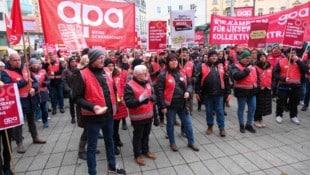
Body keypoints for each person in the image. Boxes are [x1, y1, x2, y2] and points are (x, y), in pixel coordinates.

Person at [71, 49, 126, 175]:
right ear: (92, 59)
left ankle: (112, 167)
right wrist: (93, 107)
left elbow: (110, 90)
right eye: (99, 58)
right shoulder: (82, 74)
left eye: (103, 57)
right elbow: (76, 97)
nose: (103, 60)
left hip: (109, 115)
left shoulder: (107, 71)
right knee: (92, 147)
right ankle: (92, 172)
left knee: (110, 142)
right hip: (92, 118)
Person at [2, 53, 46, 154]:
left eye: (18, 59)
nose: (17, 62)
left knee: (32, 118)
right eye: (15, 60)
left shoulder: (25, 69)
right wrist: (24, 82)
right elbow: (9, 87)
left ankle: (35, 137)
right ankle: (19, 142)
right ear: (10, 61)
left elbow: (34, 81)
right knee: (19, 122)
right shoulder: (5, 73)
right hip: (17, 101)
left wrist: (34, 88)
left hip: (30, 98)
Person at [157, 53, 199, 152]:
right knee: (170, 124)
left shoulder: (182, 72)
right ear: (168, 62)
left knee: (188, 124)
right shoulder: (163, 74)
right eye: (171, 60)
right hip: (170, 105)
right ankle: (172, 143)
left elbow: (189, 84)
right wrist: (162, 106)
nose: (174, 62)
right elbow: (159, 91)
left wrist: (188, 92)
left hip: (183, 104)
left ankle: (191, 142)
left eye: (175, 60)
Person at [124, 65, 157, 166]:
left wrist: (152, 97)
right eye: (144, 73)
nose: (146, 75)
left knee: (146, 135)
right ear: (137, 74)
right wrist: (140, 100)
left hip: (149, 115)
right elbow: (129, 103)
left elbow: (154, 95)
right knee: (138, 136)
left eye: (146, 73)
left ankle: (145, 151)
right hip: (138, 117)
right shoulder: (129, 86)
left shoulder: (147, 83)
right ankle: (137, 155)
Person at [195, 50, 230, 137]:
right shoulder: (202, 66)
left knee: (220, 111)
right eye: (212, 56)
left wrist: (228, 92)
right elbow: (197, 81)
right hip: (207, 93)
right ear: (208, 57)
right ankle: (210, 126)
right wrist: (197, 92)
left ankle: (221, 128)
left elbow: (226, 80)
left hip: (219, 93)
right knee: (209, 111)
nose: (214, 57)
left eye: (215, 56)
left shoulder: (221, 66)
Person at [273, 49, 307, 125]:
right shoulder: (281, 61)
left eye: (294, 53)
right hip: (283, 85)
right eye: (291, 53)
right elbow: (275, 73)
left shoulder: (299, 61)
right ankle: (279, 115)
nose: (293, 54)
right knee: (281, 101)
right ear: (287, 54)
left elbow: (305, 70)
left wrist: (298, 61)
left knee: (294, 102)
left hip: (295, 86)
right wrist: (283, 78)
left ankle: (293, 116)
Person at [231, 50, 258, 133]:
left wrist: (258, 86)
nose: (249, 60)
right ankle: (241, 125)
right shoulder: (236, 66)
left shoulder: (252, 66)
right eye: (247, 58)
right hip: (241, 92)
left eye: (250, 58)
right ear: (242, 58)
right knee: (241, 109)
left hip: (252, 91)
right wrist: (247, 70)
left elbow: (257, 77)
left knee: (252, 108)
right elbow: (236, 76)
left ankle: (249, 124)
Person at [29, 58, 50, 128]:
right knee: (34, 108)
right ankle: (33, 124)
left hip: (43, 92)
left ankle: (45, 121)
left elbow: (48, 80)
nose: (35, 65)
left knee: (45, 108)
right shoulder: (28, 72)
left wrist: (45, 83)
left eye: (36, 63)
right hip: (34, 93)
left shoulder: (43, 71)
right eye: (33, 63)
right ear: (31, 65)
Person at [253, 52, 272, 128]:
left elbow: (272, 76)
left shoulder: (270, 66)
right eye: (261, 57)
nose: (263, 58)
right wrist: (259, 86)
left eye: (264, 56)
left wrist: (272, 85)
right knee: (258, 105)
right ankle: (256, 120)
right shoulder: (256, 67)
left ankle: (260, 119)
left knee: (264, 105)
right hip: (260, 89)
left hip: (268, 88)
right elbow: (254, 78)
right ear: (258, 58)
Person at [63, 57, 78, 124]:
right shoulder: (66, 71)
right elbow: (64, 81)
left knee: (79, 104)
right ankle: (73, 117)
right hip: (70, 90)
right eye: (72, 61)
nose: (73, 63)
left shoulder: (78, 69)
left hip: (78, 89)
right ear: (69, 62)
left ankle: (79, 116)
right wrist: (68, 89)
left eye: (74, 61)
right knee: (71, 105)